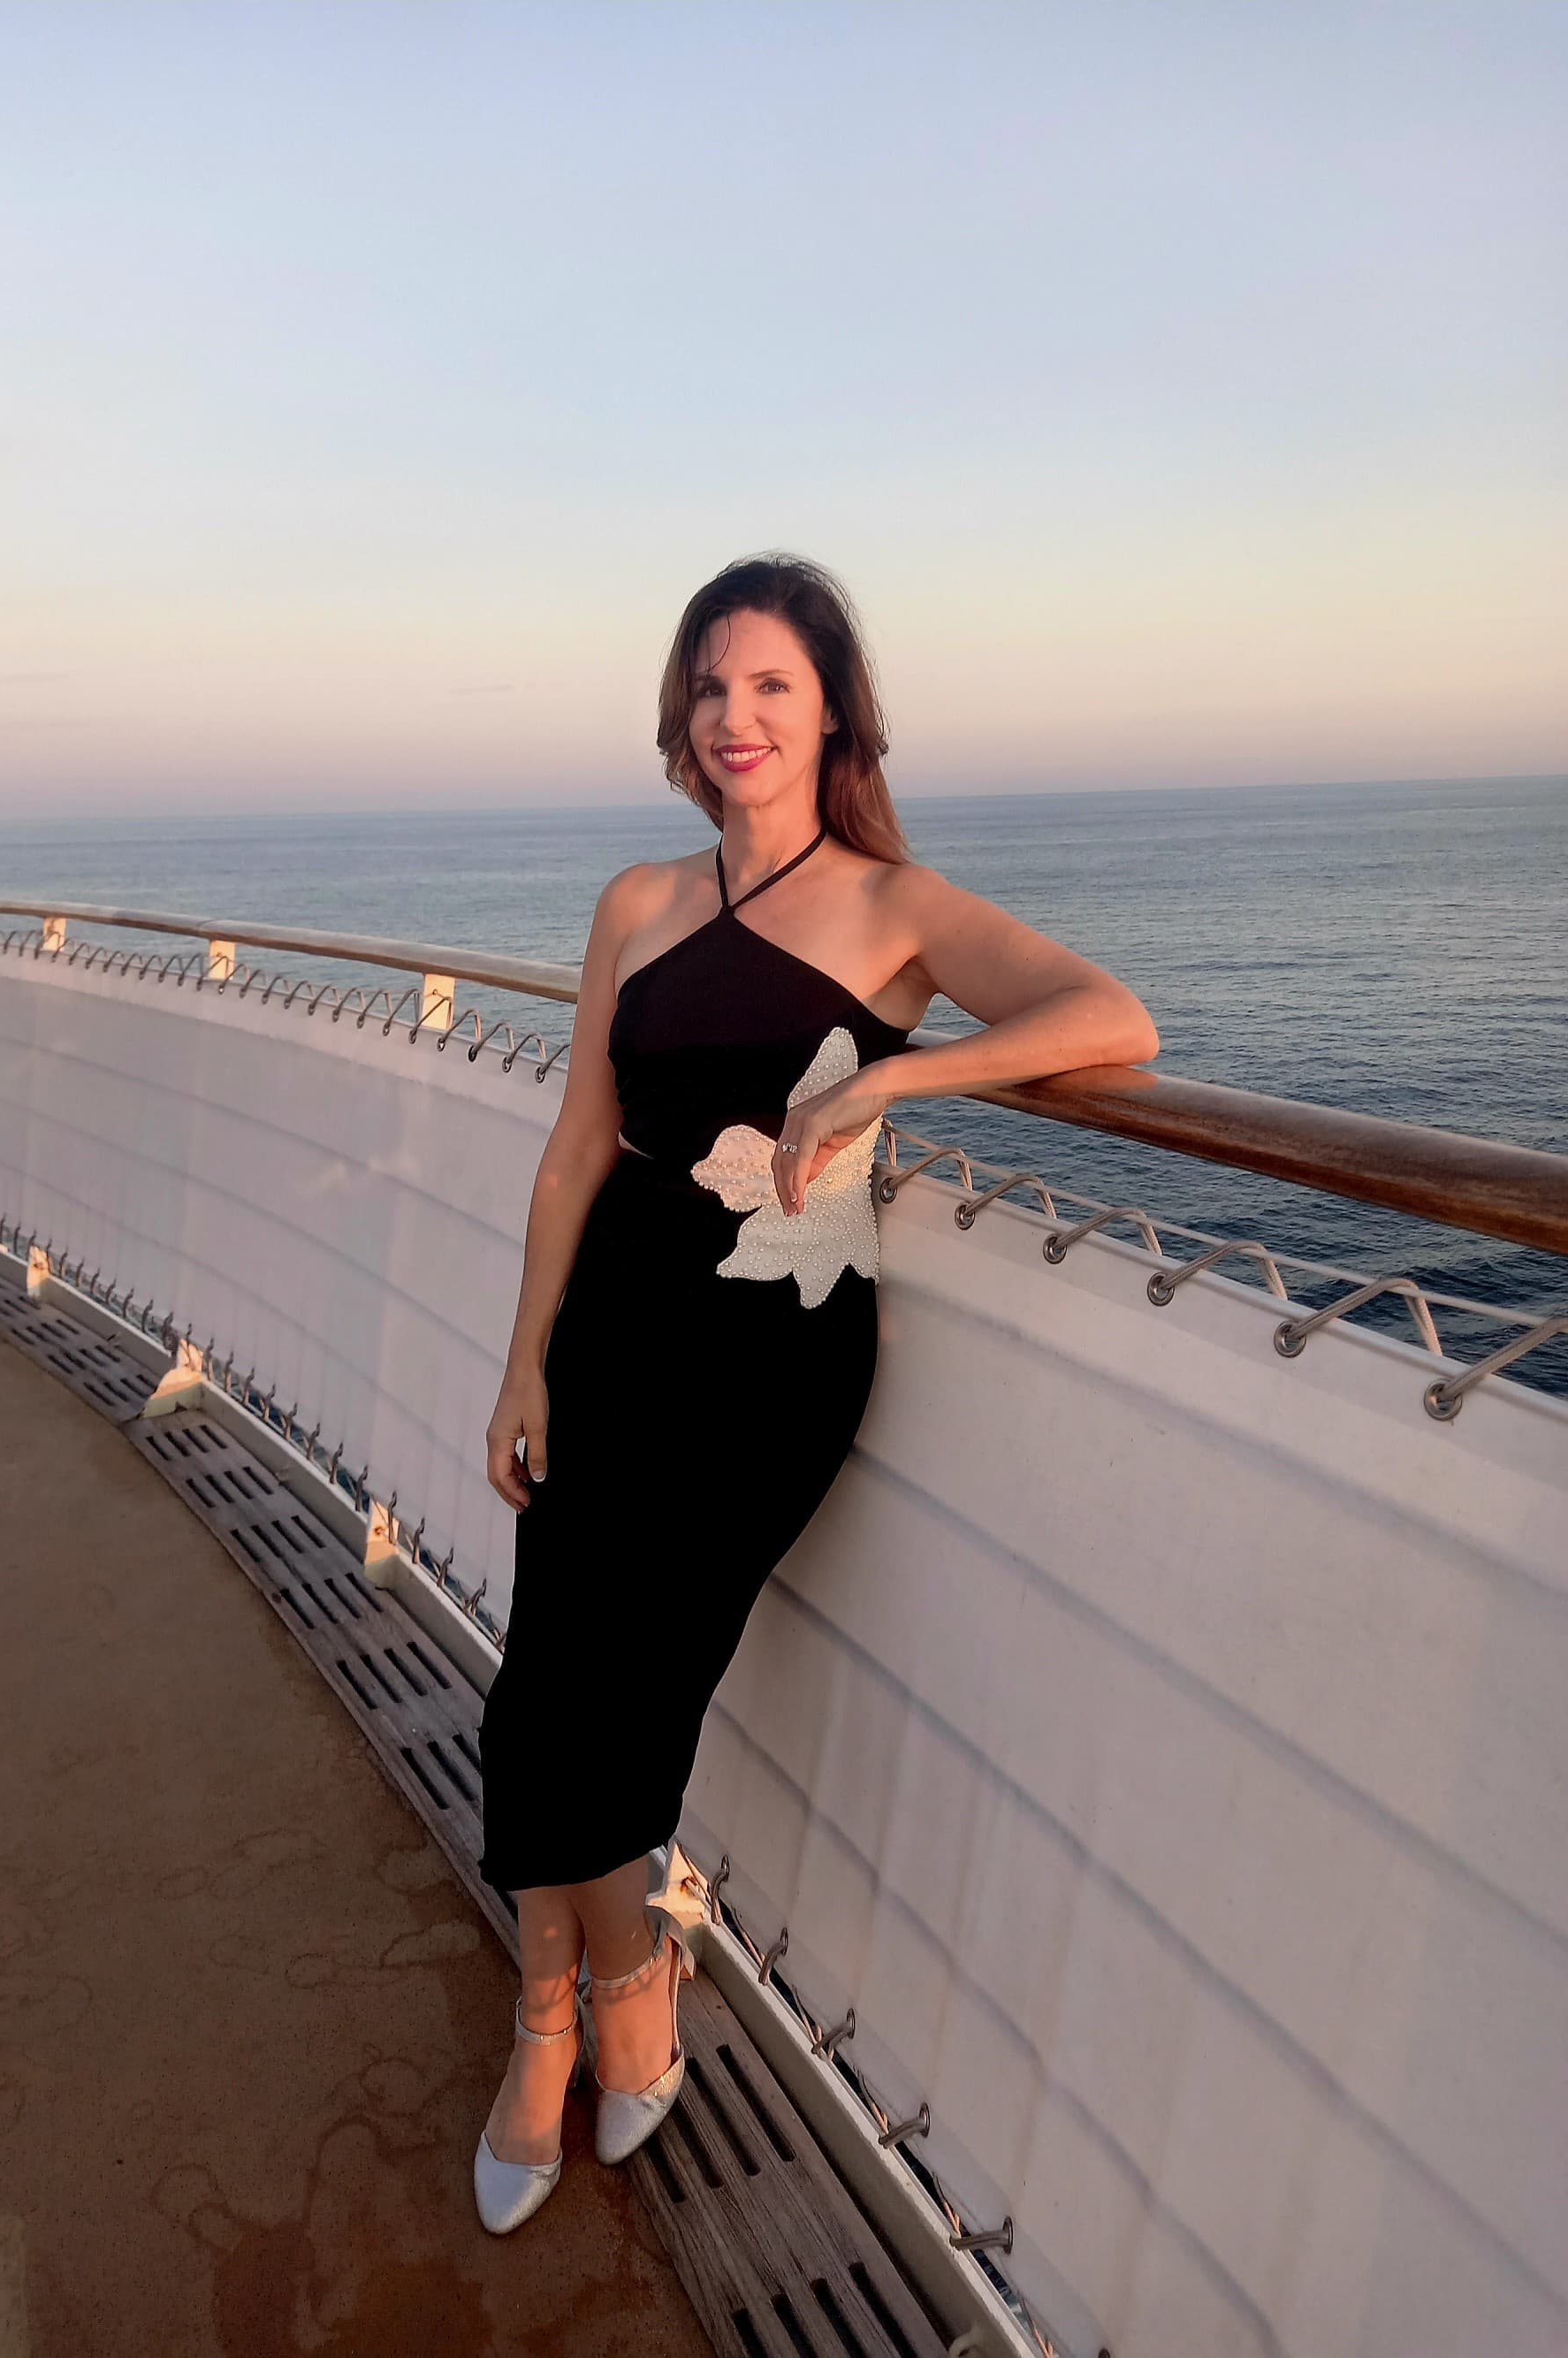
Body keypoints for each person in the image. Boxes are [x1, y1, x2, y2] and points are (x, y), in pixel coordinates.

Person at [472, 553, 1159, 2232]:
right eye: (711, 688)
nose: (736, 717)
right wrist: (521, 1357)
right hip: (614, 1329)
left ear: (833, 707)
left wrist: (903, 1073)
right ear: (682, 719)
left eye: (771, 685)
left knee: (626, 1692)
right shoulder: (635, 903)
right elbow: (579, 1148)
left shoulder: (895, 907)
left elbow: (1111, 1017)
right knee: (548, 1683)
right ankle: (591, 1996)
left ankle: (569, 2010)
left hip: (772, 1360)